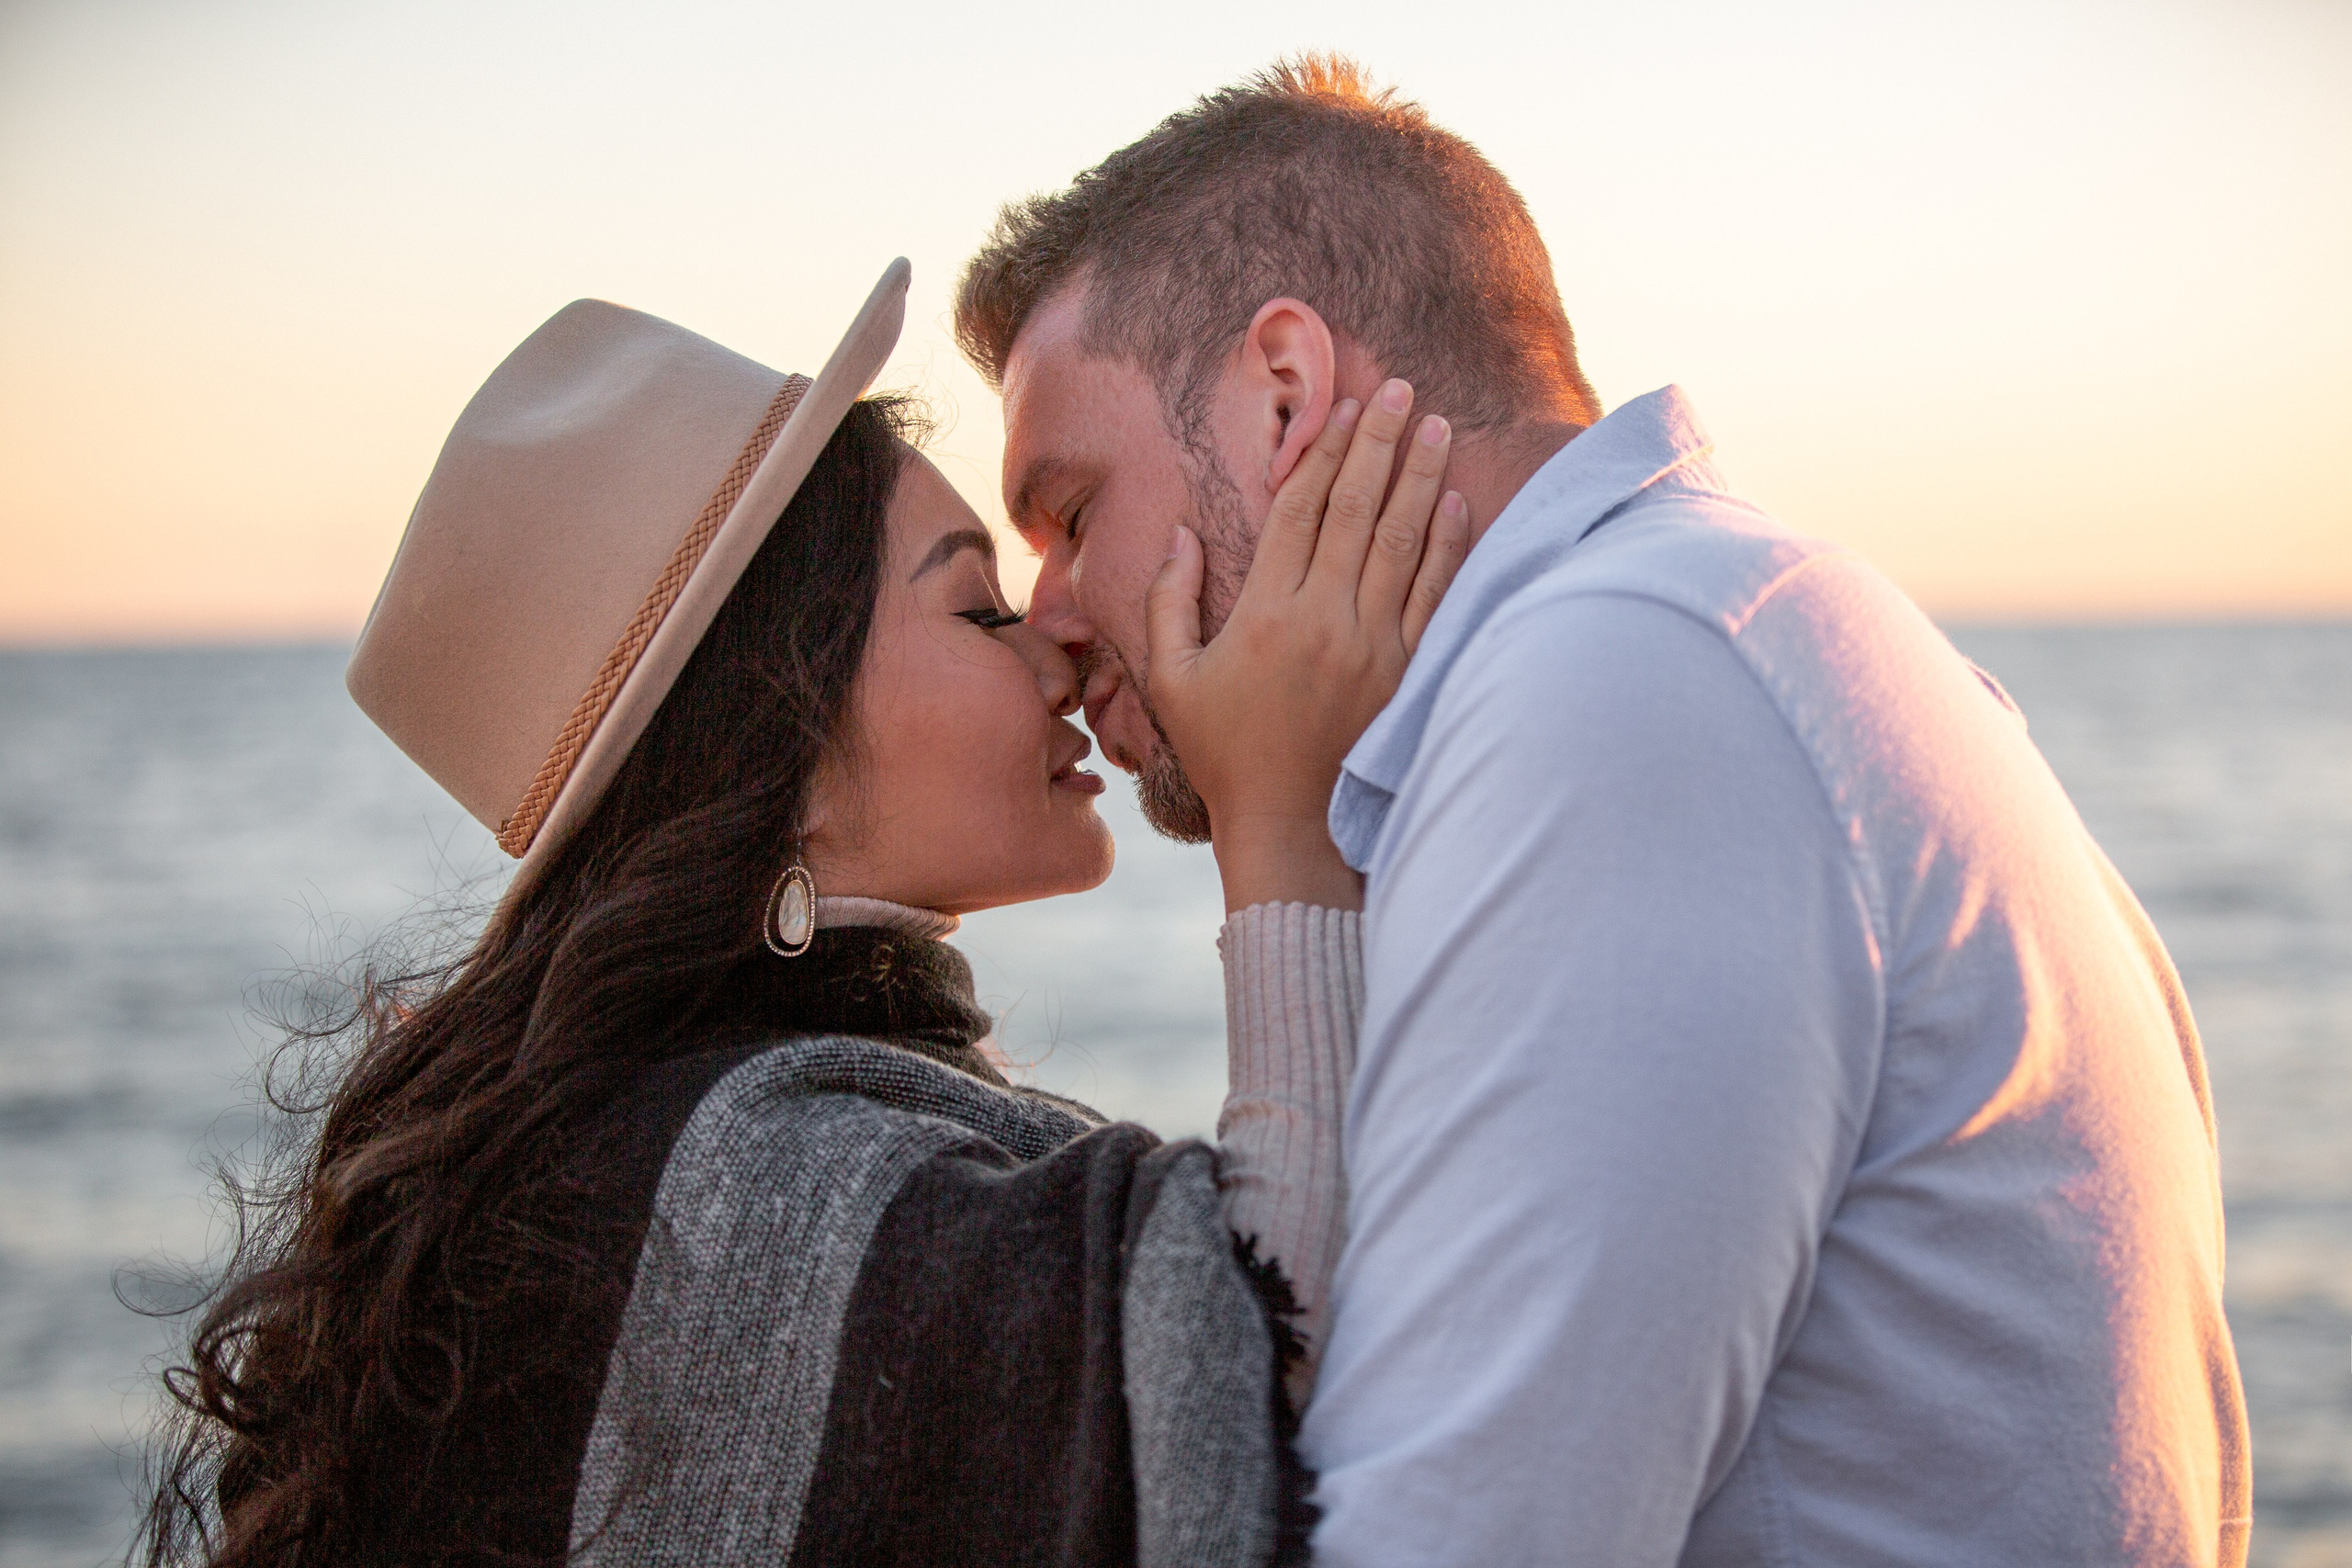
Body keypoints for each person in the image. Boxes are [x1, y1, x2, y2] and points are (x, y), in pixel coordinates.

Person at [956, 55, 2252, 1567]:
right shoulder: (1728, 628)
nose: (1049, 613)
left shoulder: (1623, 693)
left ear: (1284, 395)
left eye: (1072, 515)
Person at [141, 261, 1466, 1567]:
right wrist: (1286, 821)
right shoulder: (734, 1197)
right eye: (978, 608)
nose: (1060, 647)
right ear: (786, 754)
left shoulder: (636, 1149)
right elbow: (1278, 1359)